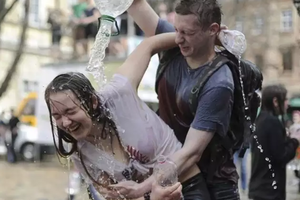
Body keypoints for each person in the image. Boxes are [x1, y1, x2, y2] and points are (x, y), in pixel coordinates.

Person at [114, 0, 262, 199]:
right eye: (176, 30)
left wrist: (142, 188)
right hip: (168, 173)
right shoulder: (179, 40)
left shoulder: (219, 83)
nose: (178, 39)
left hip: (213, 185)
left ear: (213, 30)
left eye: (188, 33)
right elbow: (136, 6)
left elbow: (190, 153)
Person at [45, 33, 206, 200]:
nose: (65, 122)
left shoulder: (118, 93)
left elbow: (148, 45)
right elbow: (115, 197)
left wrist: (204, 38)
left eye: (71, 112)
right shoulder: (78, 149)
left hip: (188, 186)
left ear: (92, 101)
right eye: (56, 115)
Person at [248, 84, 300, 200]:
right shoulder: (272, 122)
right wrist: (295, 140)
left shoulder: (261, 119)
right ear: (276, 101)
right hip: (269, 190)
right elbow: (281, 156)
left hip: (261, 187)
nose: (287, 103)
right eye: (285, 99)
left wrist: (287, 138)